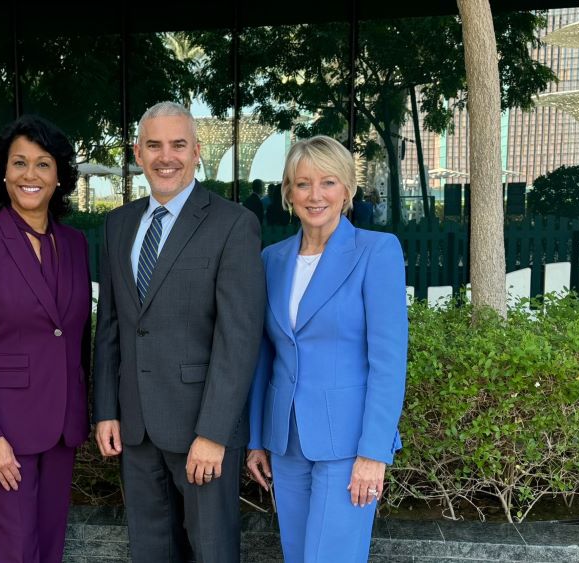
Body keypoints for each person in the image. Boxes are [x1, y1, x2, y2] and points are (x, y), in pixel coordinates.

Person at [93, 101, 265, 563]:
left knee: (211, 552)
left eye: (178, 145)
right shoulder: (118, 224)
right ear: (137, 152)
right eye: (154, 145)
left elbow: (239, 339)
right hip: (136, 429)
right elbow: (110, 324)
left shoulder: (233, 224)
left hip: (200, 433)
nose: (165, 156)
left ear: (197, 152)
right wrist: (107, 409)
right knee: (150, 552)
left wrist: (213, 433)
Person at [245, 135, 407, 562]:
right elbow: (265, 356)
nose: (315, 195)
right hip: (286, 440)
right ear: (288, 193)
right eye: (302, 184)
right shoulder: (271, 260)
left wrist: (374, 452)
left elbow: (388, 362)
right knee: (298, 555)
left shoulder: (377, 251)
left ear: (348, 190)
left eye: (328, 182)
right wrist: (257, 438)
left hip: (350, 445)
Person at [0, 115, 91, 563]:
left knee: (49, 549)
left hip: (62, 426)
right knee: (11, 553)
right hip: (2, 431)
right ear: (3, 172)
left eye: (44, 164)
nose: (31, 175)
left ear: (60, 176)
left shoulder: (76, 244)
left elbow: (75, 336)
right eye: (20, 162)